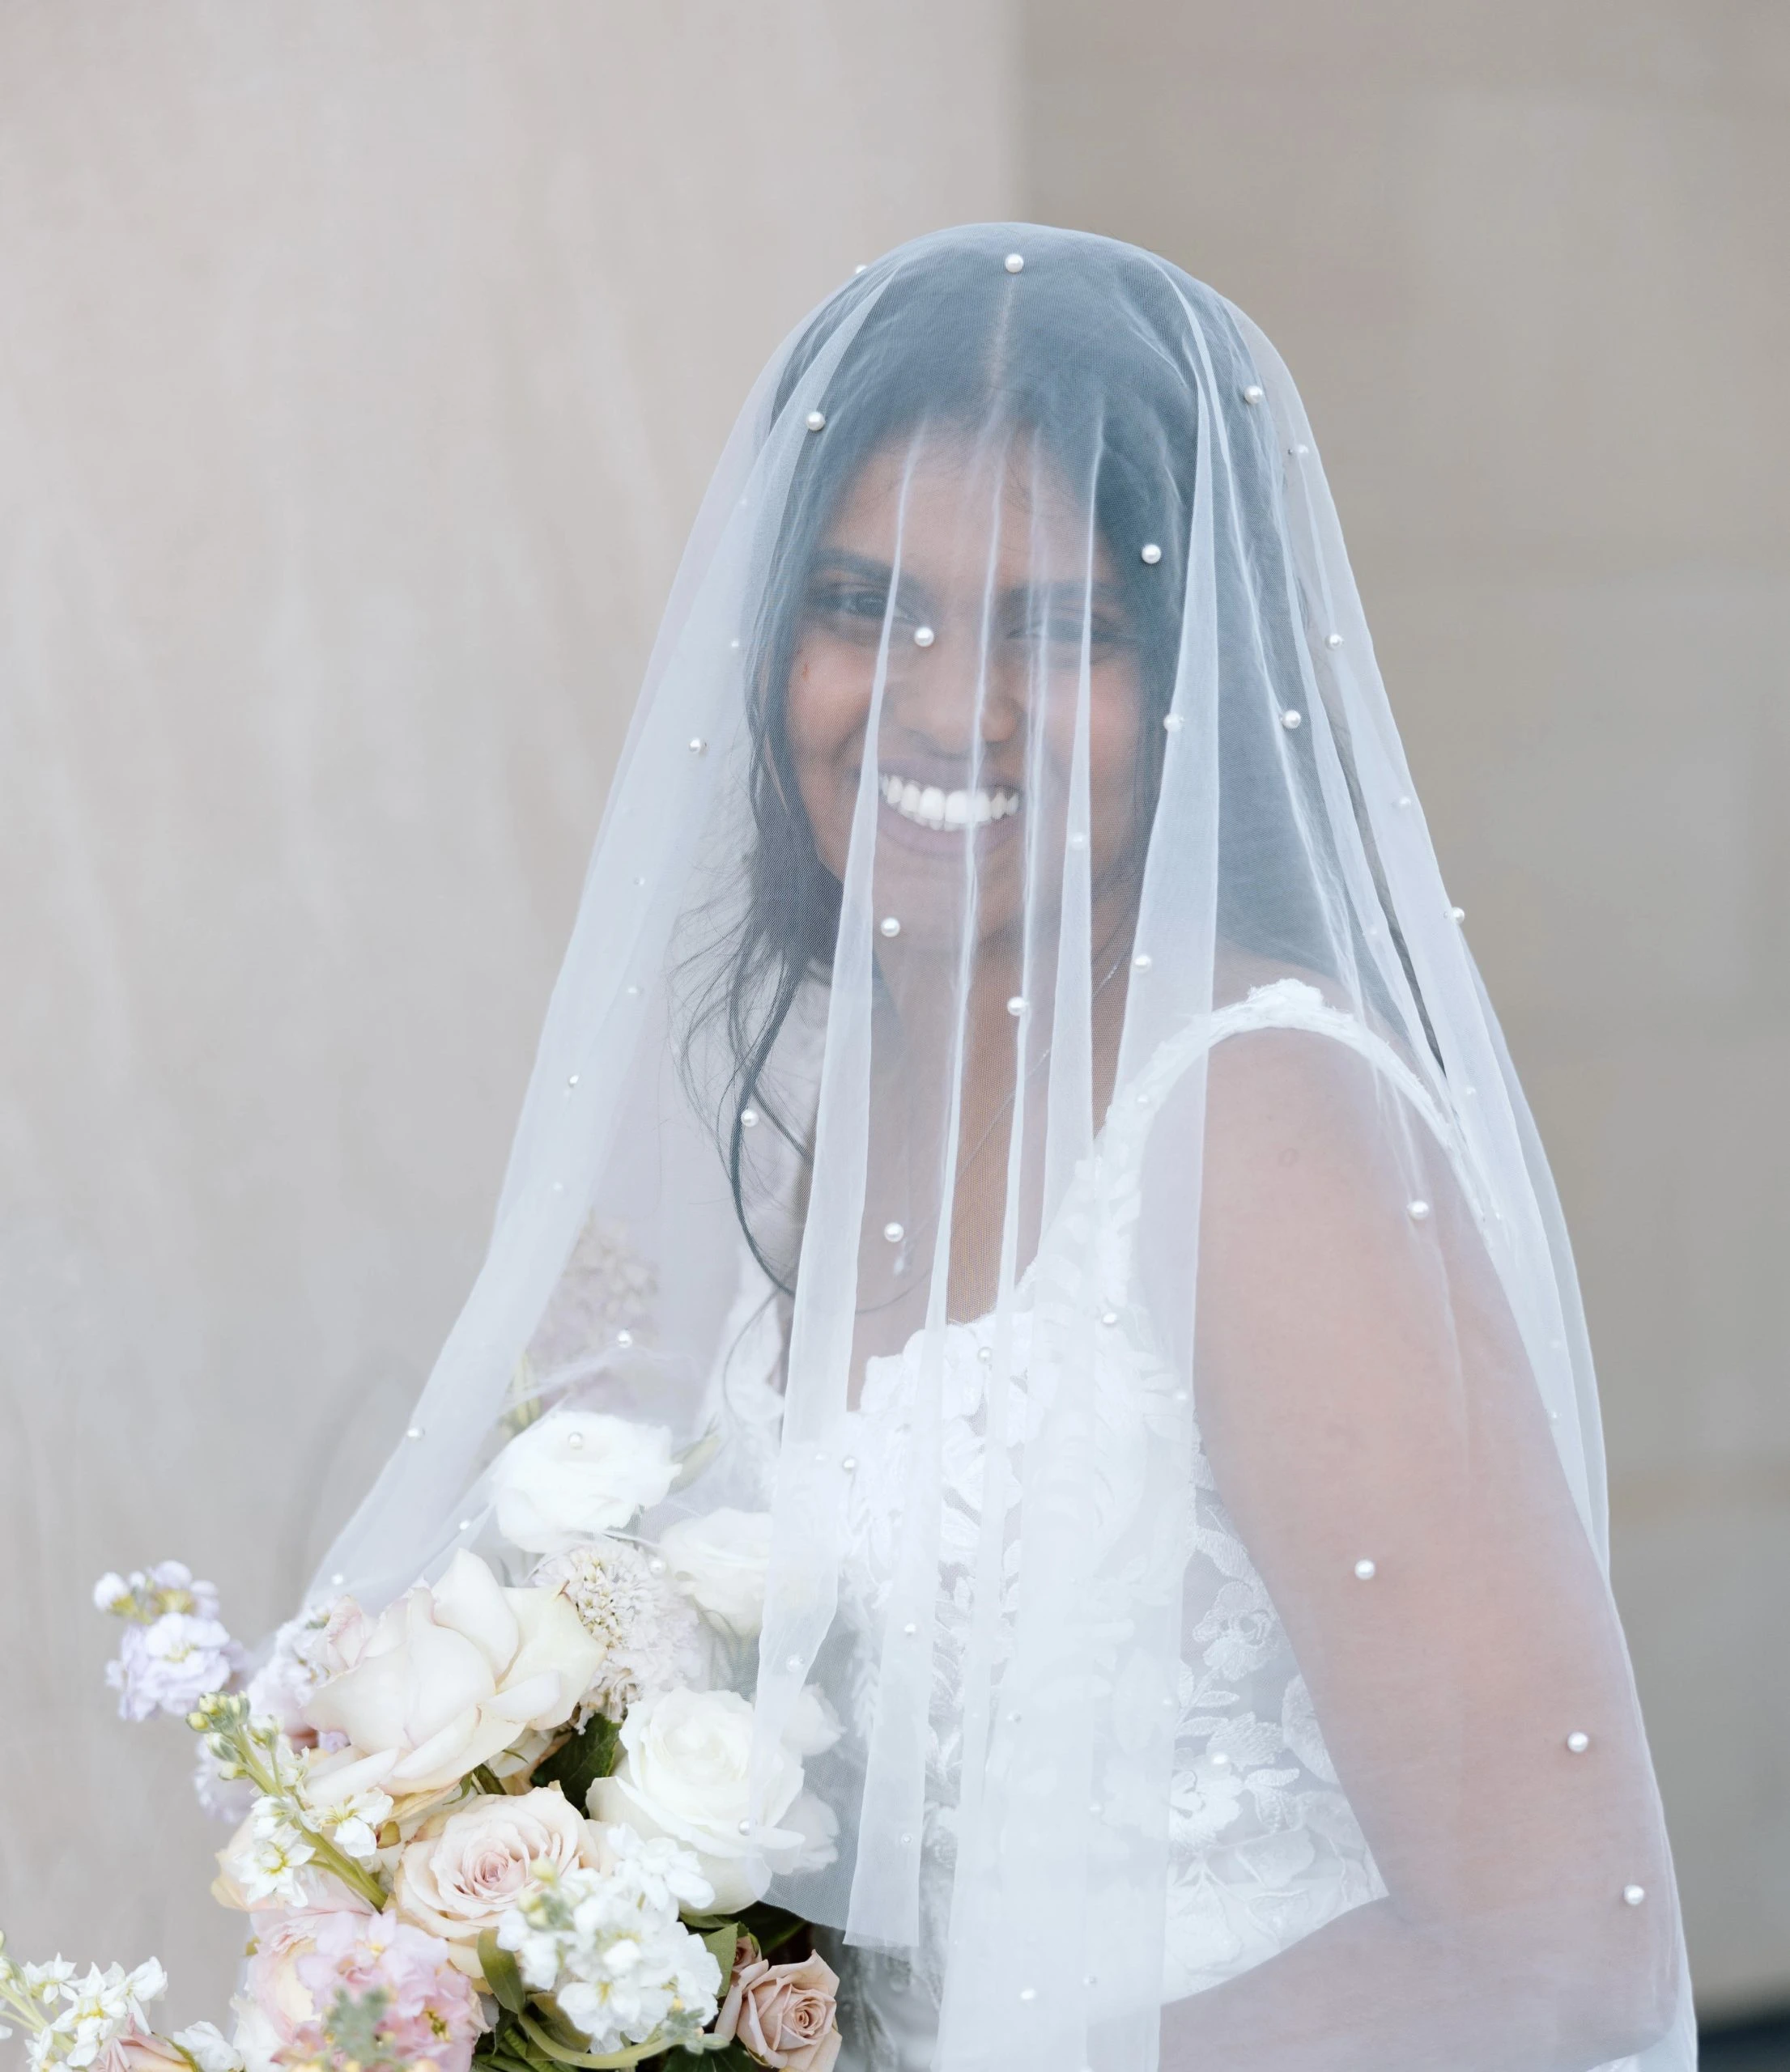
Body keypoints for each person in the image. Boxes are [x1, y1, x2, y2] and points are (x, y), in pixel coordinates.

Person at [318, 225, 1692, 2072]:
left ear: (1197, 684)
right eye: (864, 606)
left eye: (1058, 630)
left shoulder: (1254, 1118)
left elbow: (1555, 1951)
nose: (943, 707)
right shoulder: (826, 1087)